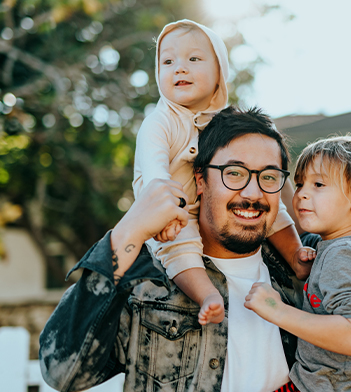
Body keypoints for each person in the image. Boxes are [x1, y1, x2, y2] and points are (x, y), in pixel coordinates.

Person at [39, 107, 351, 392]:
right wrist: (129, 229)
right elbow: (64, 371)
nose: (252, 193)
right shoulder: (147, 277)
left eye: (268, 177)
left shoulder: (306, 263)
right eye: (234, 173)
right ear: (200, 180)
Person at [133, 19, 313, 326]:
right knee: (181, 250)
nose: (180, 68)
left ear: (220, 73)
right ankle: (207, 295)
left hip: (196, 206)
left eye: (193, 59)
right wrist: (165, 215)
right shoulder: (160, 122)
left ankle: (296, 256)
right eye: (168, 61)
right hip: (170, 211)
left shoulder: (224, 123)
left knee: (274, 208)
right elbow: (154, 175)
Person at [246, 136, 351, 392]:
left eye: (318, 184)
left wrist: (276, 310)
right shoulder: (347, 249)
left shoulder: (341, 255)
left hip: (325, 391)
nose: (302, 193)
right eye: (299, 183)